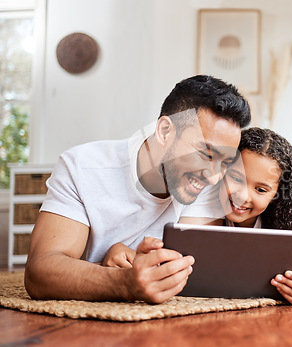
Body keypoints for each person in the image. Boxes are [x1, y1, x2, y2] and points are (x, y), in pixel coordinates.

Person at [24, 75, 251, 303]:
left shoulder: (210, 185)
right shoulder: (83, 167)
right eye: (206, 154)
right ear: (164, 131)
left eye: (225, 162)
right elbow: (40, 272)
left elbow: (195, 271)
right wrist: (123, 281)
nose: (213, 178)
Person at [105, 127, 292, 305]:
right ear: (222, 172)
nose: (241, 196)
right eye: (236, 179)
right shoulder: (204, 200)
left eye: (260, 190)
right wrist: (127, 253)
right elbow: (170, 255)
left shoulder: (284, 222)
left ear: (278, 194)